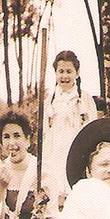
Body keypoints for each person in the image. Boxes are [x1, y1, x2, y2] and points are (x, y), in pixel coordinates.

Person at [41, 51, 98, 209]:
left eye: (69, 71)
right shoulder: (49, 101)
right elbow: (45, 132)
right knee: (54, 186)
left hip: (76, 147)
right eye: (61, 71)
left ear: (77, 73)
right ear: (55, 73)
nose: (64, 76)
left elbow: (92, 128)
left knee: (75, 187)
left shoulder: (84, 99)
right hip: (55, 149)